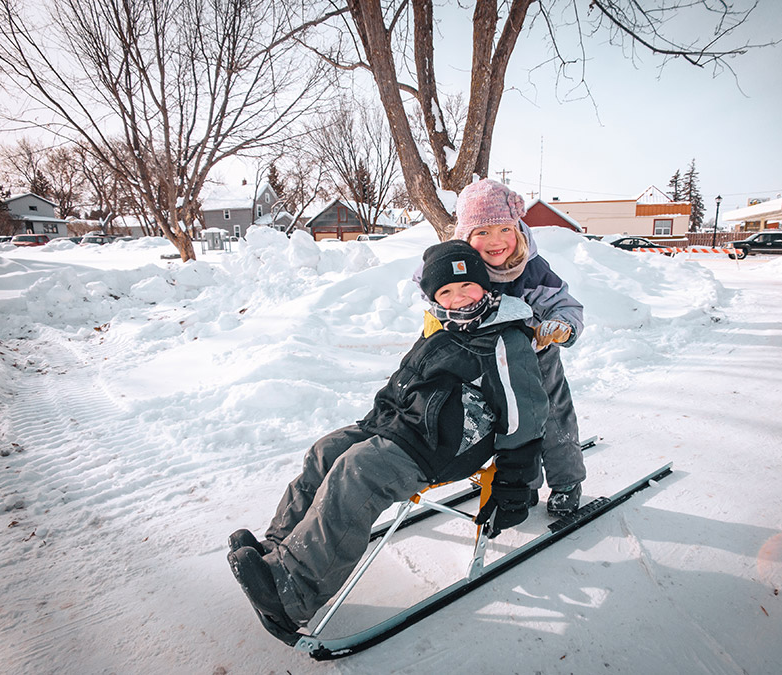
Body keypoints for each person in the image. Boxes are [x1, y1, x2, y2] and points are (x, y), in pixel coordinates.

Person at [227, 239, 549, 637]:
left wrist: (514, 485)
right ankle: (278, 552)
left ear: (486, 286)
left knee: (357, 471)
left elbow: (526, 416)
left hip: (443, 446)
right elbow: (408, 384)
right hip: (404, 426)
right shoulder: (443, 329)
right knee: (326, 451)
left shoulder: (505, 338)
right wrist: (372, 425)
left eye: (468, 287)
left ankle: (296, 592)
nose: (459, 298)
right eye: (446, 291)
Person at [448, 178, 587, 517]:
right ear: (465, 236)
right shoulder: (462, 268)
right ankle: (518, 481)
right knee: (500, 422)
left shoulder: (532, 269)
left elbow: (563, 304)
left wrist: (560, 324)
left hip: (536, 360)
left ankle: (567, 481)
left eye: (504, 230)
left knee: (552, 420)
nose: (495, 241)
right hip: (485, 362)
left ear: (518, 229)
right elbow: (431, 284)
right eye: (482, 233)